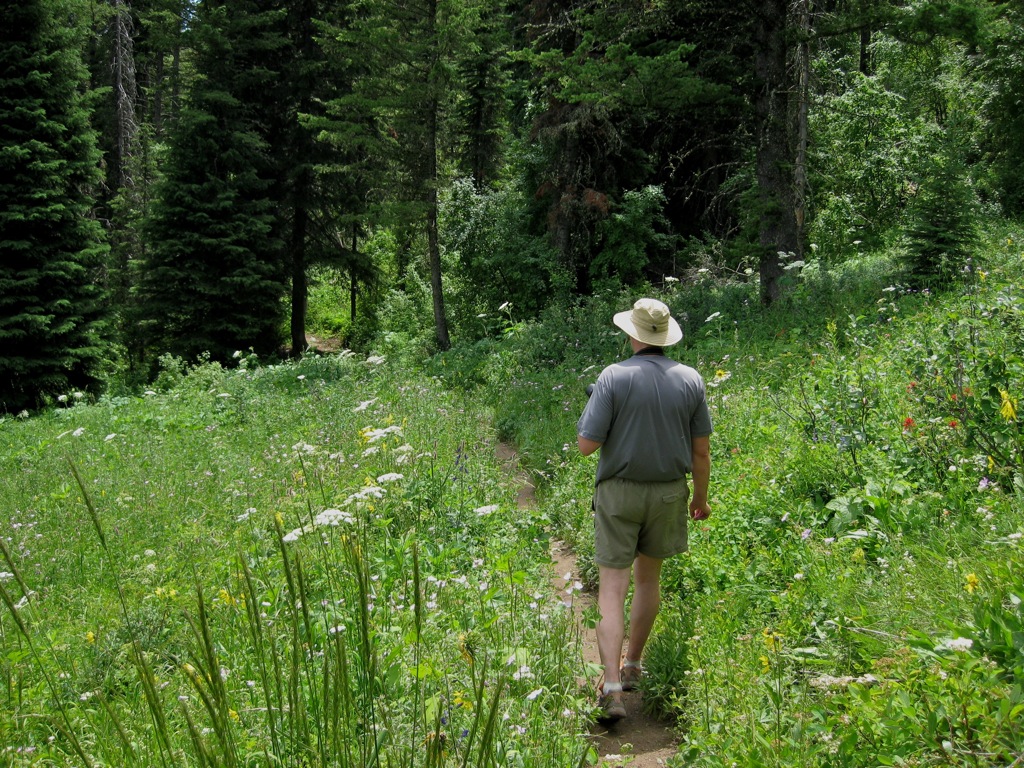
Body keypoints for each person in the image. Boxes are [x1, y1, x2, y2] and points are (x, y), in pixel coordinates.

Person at [576, 297, 713, 722]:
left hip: (619, 493)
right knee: (648, 580)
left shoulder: (612, 377)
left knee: (612, 589)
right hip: (670, 493)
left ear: (631, 333)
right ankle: (634, 664)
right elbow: (702, 452)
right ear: (664, 336)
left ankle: (612, 687)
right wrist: (700, 499)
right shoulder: (690, 379)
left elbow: (586, 445)